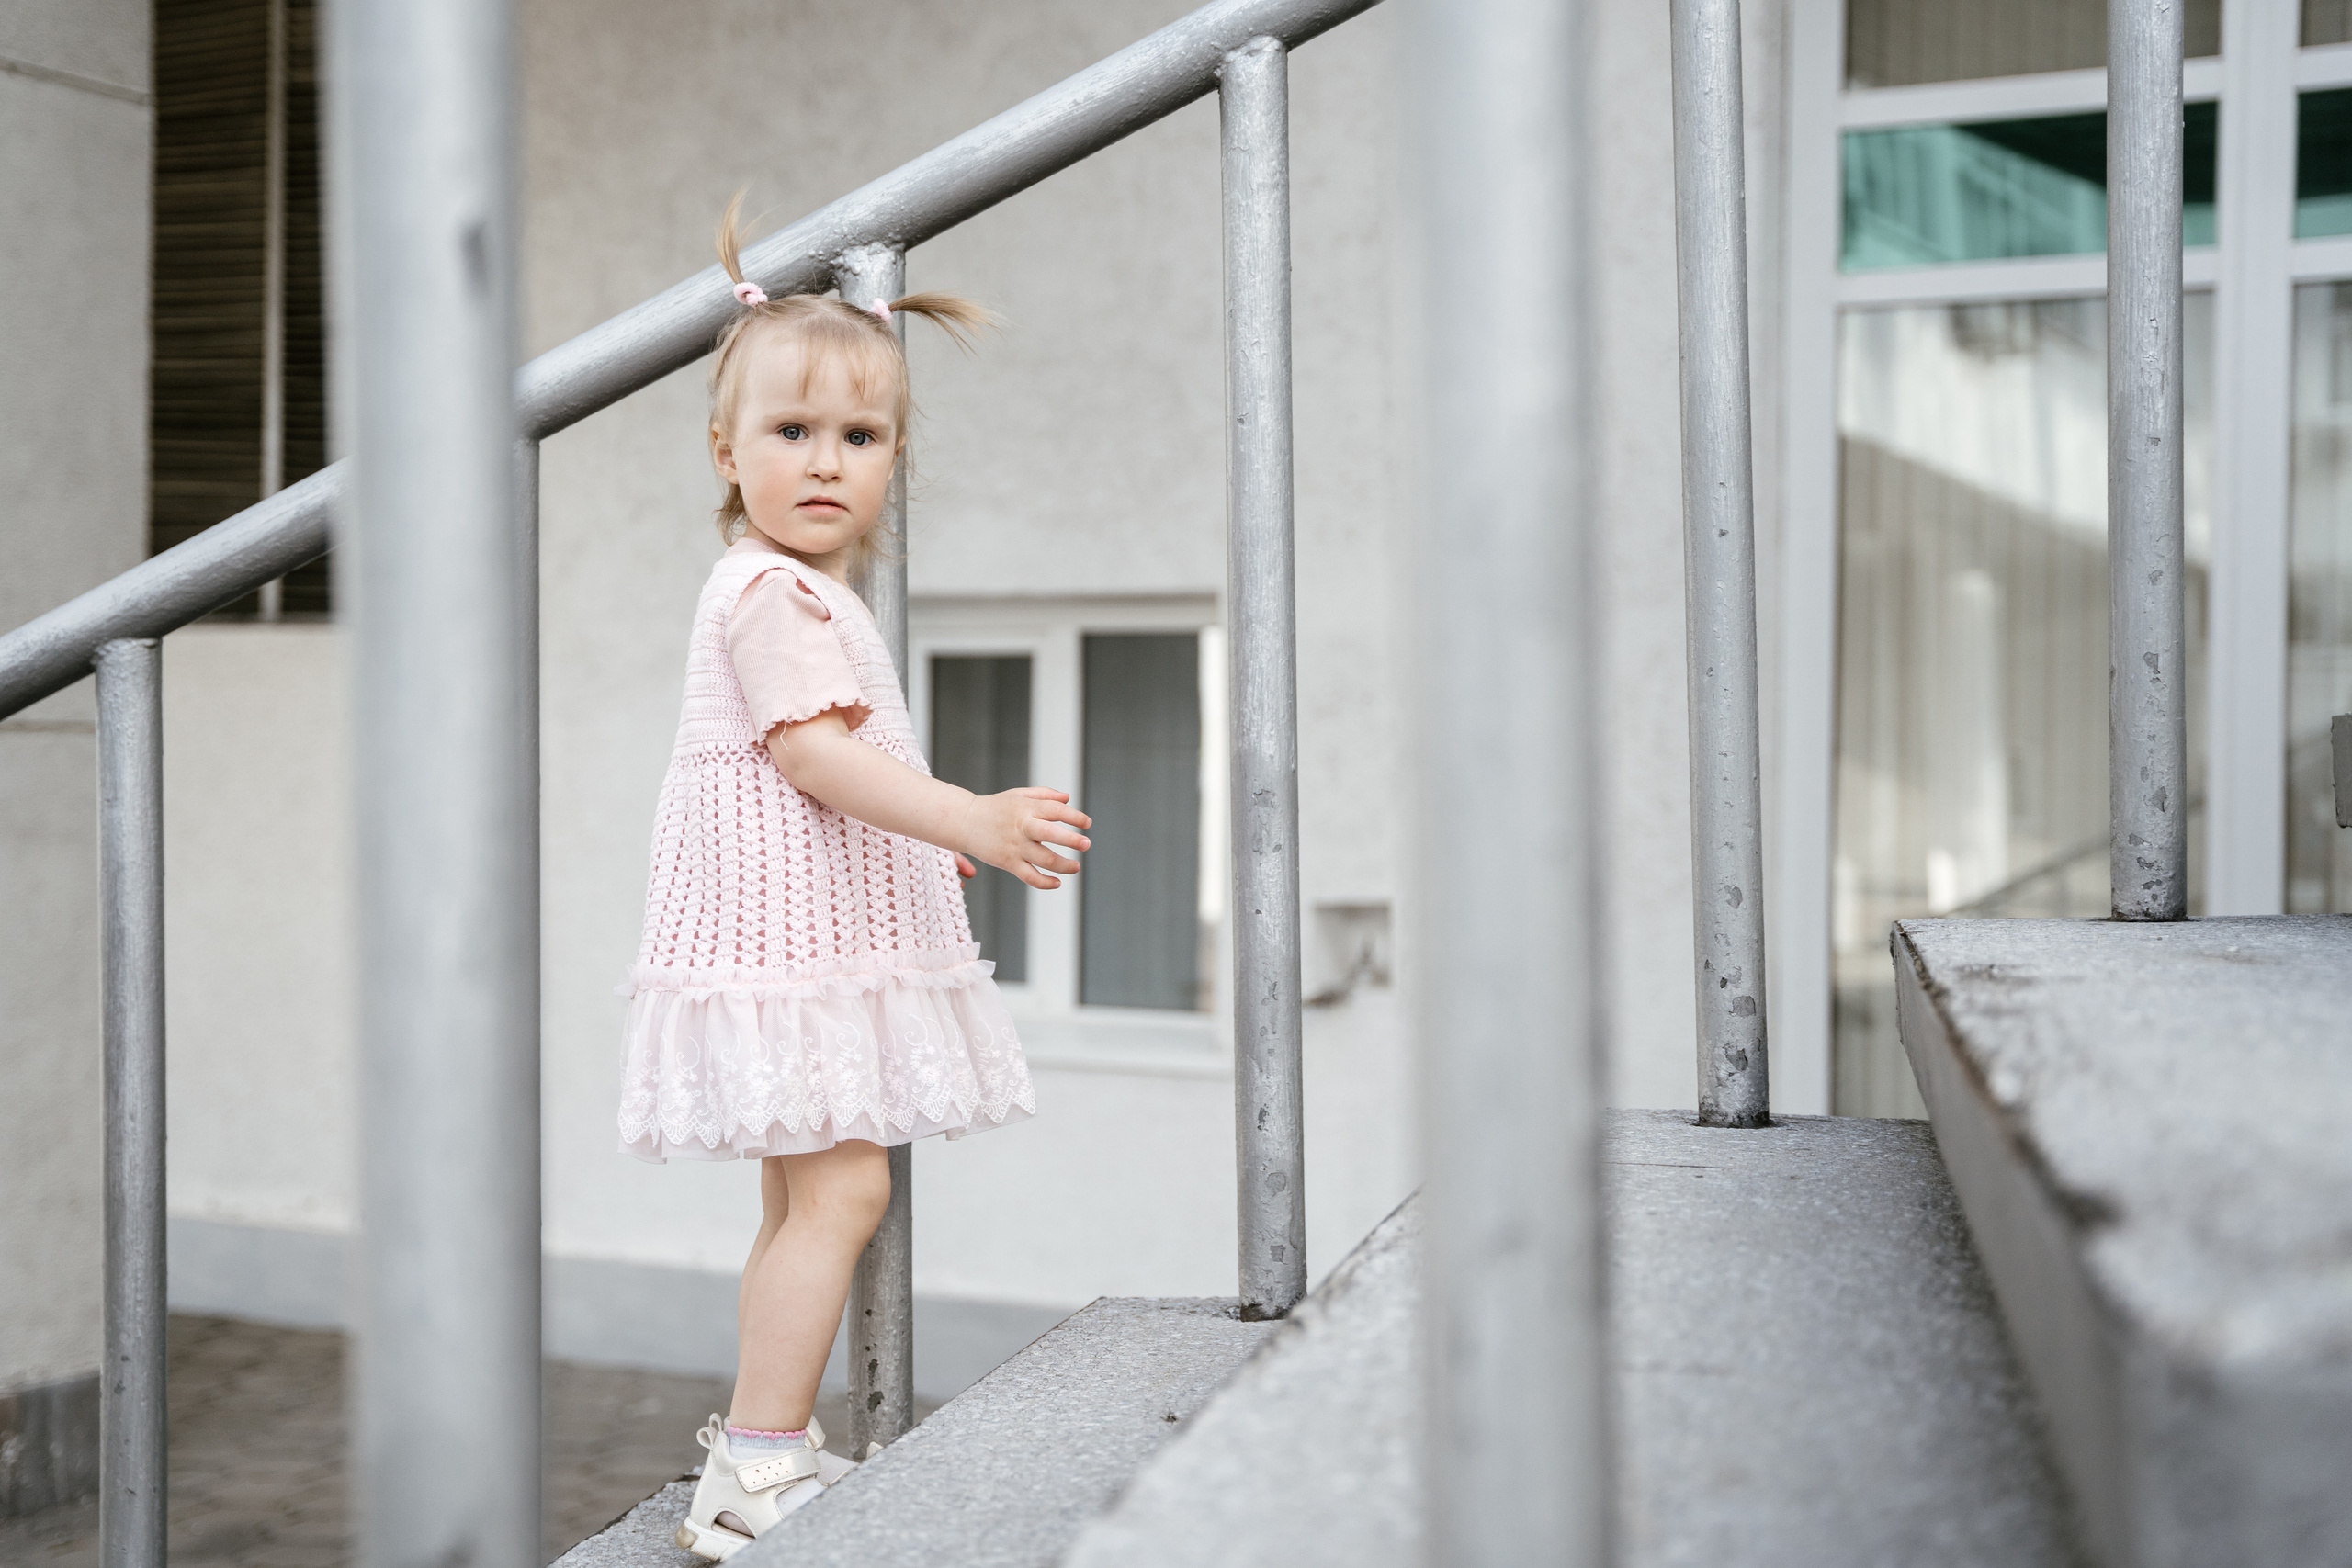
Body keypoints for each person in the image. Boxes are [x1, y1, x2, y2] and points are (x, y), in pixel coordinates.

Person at [616, 194, 1091, 1562]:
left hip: (788, 934)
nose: (827, 462)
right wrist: (971, 822)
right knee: (845, 1194)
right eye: (791, 432)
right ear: (726, 447)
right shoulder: (775, 595)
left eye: (861, 437)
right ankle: (759, 1464)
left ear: (894, 458)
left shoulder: (785, 586)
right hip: (789, 939)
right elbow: (817, 760)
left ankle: (758, 1442)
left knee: (798, 1198)